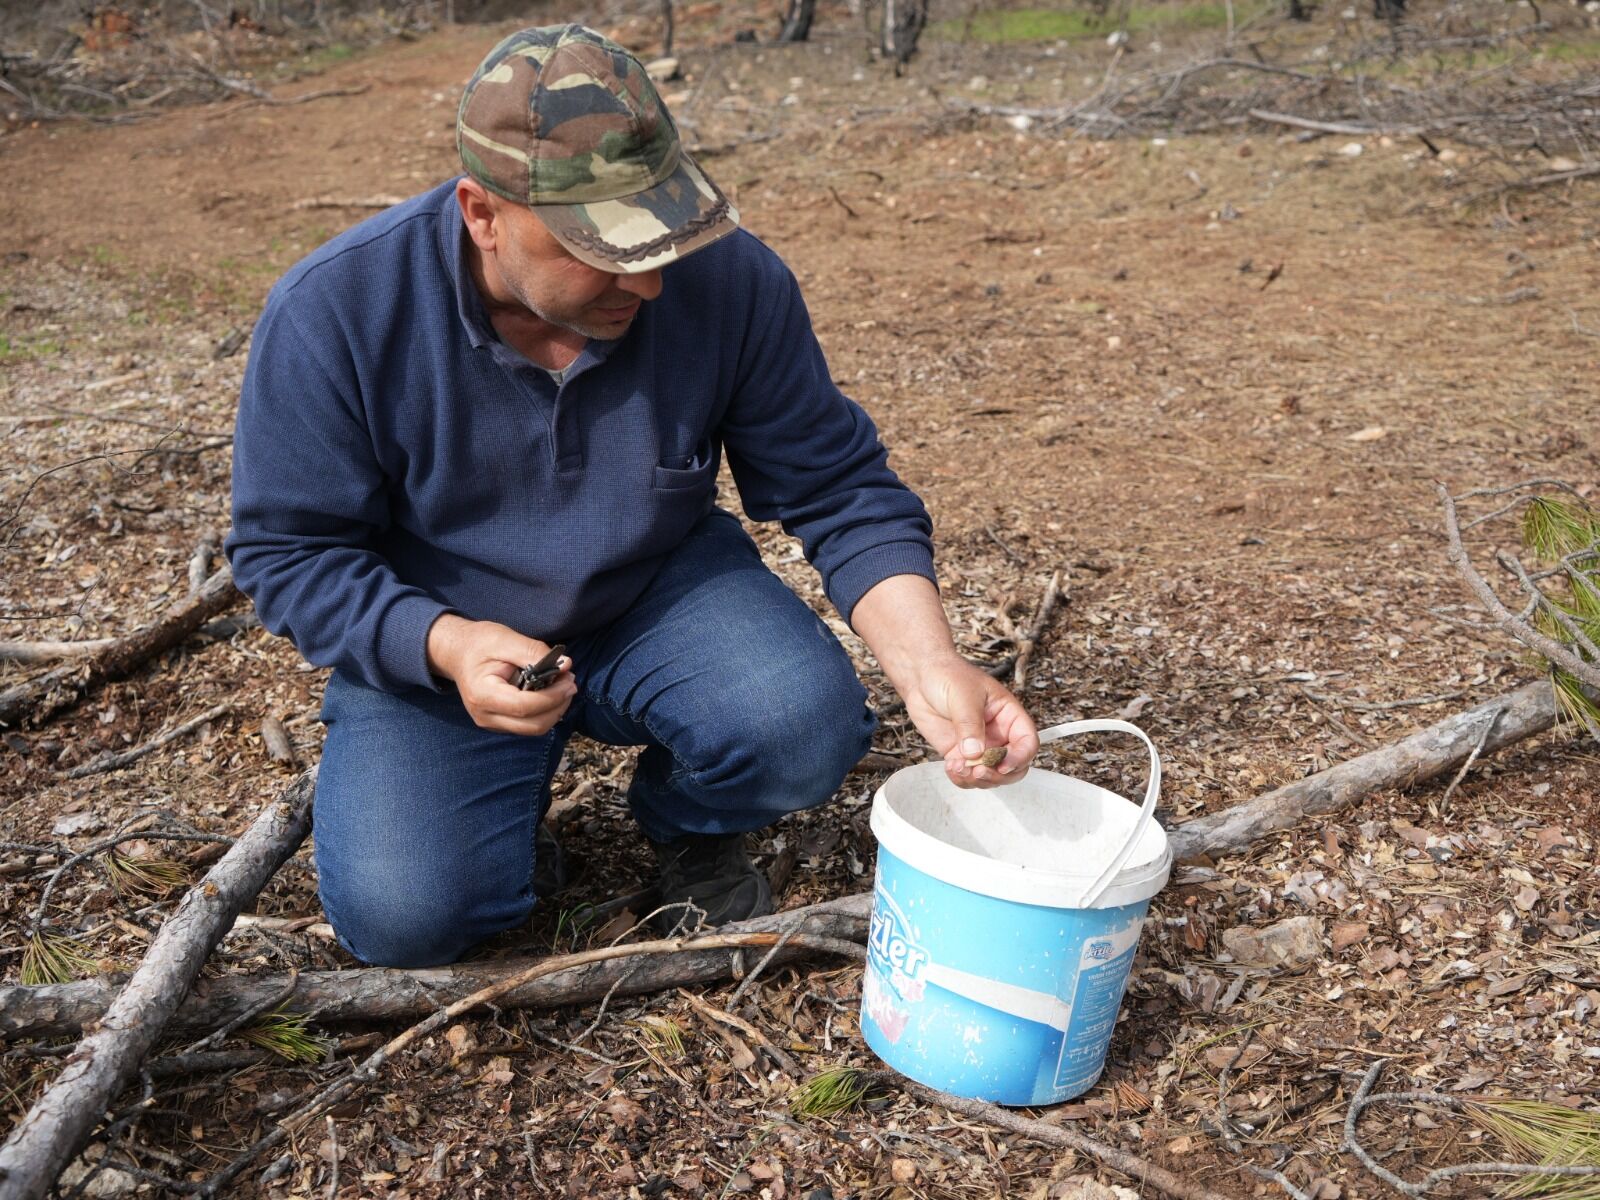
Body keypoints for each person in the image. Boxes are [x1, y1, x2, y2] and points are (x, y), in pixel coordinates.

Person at [226, 24, 1038, 969]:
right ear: (483, 213)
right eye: (600, 249)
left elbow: (837, 485)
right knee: (409, 917)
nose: (647, 282)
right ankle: (490, 816)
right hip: (444, 629)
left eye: (659, 238)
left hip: (653, 588)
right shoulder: (337, 311)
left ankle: (688, 821)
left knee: (802, 726)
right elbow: (288, 553)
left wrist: (931, 665)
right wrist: (441, 644)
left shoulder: (730, 282)